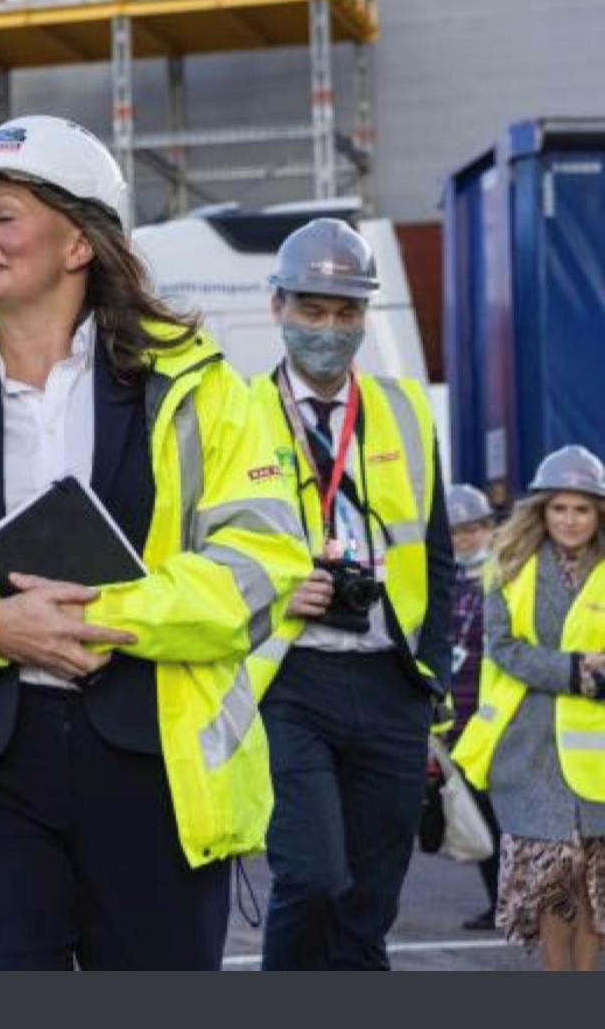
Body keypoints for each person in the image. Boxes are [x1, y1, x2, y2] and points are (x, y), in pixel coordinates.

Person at [0, 115, 310, 970]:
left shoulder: (201, 389)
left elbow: (263, 566)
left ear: (80, 242)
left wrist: (100, 613)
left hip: (156, 770)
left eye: (4, 215)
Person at [250, 217, 454, 970]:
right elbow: (198, 552)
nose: (329, 329)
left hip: (388, 679)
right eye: (312, 309)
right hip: (291, 678)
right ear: (277, 307)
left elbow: (436, 558)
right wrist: (278, 589)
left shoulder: (404, 411)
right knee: (311, 876)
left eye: (346, 312)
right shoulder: (236, 414)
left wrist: (428, 674)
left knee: (370, 900)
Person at [452, 445, 605, 973]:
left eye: (581, 509)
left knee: (592, 887)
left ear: (597, 514)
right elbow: (504, 648)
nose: (570, 519)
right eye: (559, 508)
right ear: (541, 510)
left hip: (596, 761)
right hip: (529, 753)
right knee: (554, 883)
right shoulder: (509, 565)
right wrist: (575, 670)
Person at [439, 482, 502, 929]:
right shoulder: (442, 581)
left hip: (500, 719)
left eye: (472, 530)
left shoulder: (504, 578)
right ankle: (498, 901)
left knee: (516, 818)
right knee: (478, 815)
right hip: (459, 721)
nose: (464, 539)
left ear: (488, 529)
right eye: (456, 532)